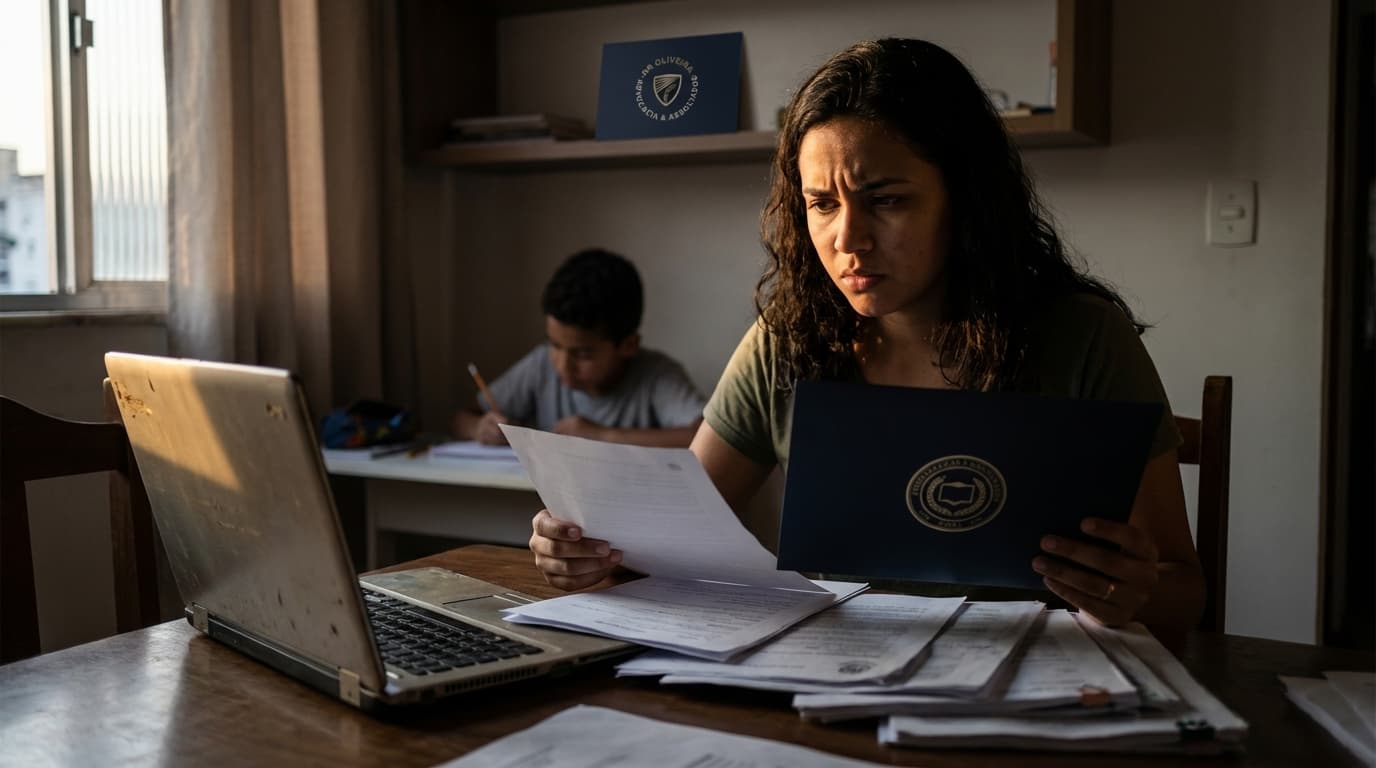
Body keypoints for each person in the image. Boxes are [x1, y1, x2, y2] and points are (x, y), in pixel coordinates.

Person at [527, 39, 1206, 635]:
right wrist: (590, 553)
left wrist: (1133, 593)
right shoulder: (786, 339)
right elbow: (668, 540)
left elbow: (1184, 594)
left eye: (886, 200)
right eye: (821, 204)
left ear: (966, 202)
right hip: (838, 683)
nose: (847, 240)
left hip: (1033, 694)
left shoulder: (1085, 336)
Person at [454, 248, 706, 448]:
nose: (562, 365)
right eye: (554, 344)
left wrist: (602, 437)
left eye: (583, 354)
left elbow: (703, 437)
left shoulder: (656, 374)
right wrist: (478, 428)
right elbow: (462, 418)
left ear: (628, 345)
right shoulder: (541, 365)